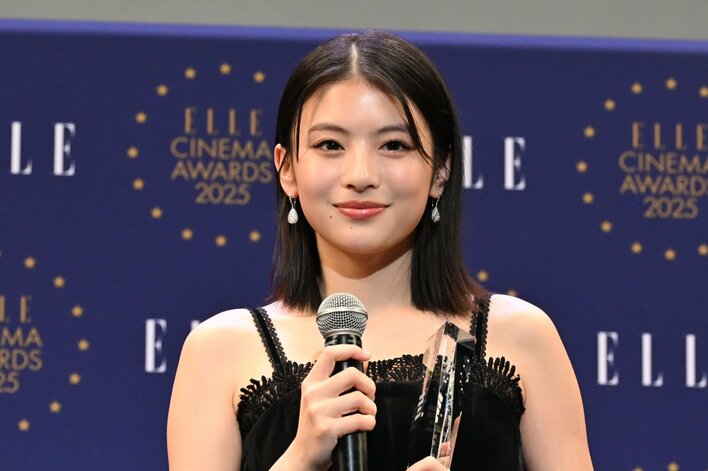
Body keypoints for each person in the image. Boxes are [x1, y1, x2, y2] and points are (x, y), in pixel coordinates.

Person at [166, 31, 593, 470]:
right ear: (287, 169)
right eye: (330, 145)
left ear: (441, 170)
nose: (361, 175)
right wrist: (300, 458)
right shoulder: (220, 351)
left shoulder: (521, 336)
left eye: (394, 145)